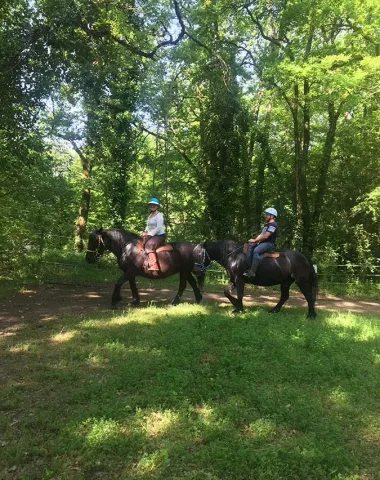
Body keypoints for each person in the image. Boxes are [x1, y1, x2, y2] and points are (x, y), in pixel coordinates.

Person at [244, 207, 278, 278]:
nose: (265, 216)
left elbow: (266, 236)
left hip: (269, 243)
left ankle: (252, 272)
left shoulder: (273, 225)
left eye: (267, 215)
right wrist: (254, 240)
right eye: (265, 214)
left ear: (272, 216)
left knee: (256, 251)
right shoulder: (267, 225)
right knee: (250, 247)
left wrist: (255, 240)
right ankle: (249, 266)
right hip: (262, 242)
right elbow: (261, 234)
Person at [141, 197, 165, 271]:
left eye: (154, 205)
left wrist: (149, 234)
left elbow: (158, 228)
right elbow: (148, 226)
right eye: (151, 205)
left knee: (149, 245)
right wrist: (145, 232)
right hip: (151, 234)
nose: (152, 206)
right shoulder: (150, 215)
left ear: (157, 206)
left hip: (159, 235)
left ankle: (154, 265)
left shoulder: (159, 216)